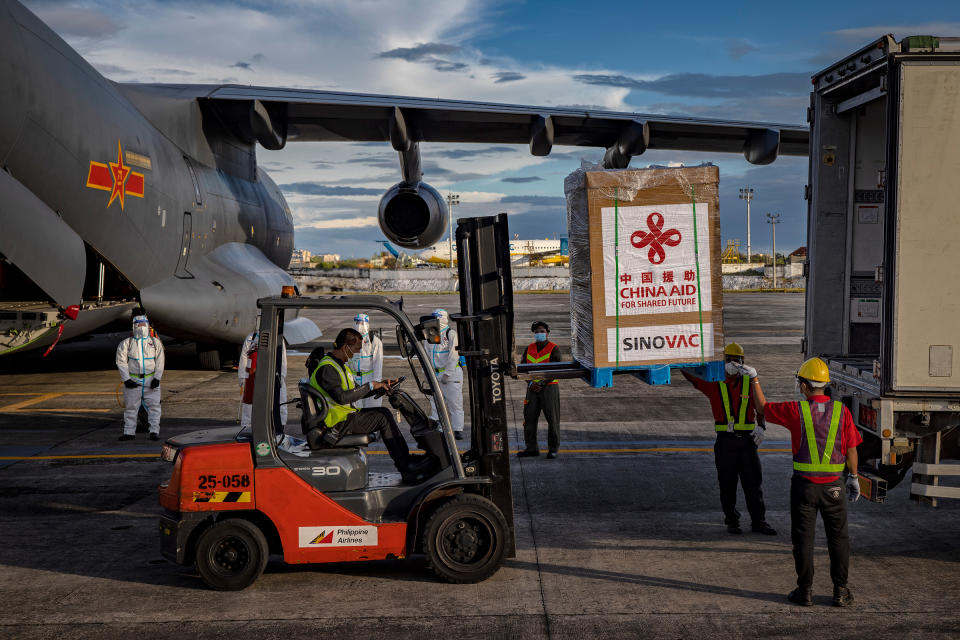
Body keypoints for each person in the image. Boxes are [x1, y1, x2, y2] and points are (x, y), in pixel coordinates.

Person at [752, 356, 862, 607]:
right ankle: (840, 591)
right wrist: (853, 477)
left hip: (804, 488)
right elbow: (852, 449)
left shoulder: (796, 410)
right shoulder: (842, 412)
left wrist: (754, 378)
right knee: (839, 539)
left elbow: (762, 408)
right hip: (834, 487)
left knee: (803, 539)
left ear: (804, 386)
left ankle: (805, 591)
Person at [680, 343, 776, 535]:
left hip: (748, 442)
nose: (733, 363)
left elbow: (760, 406)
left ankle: (759, 521)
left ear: (743, 362)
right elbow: (689, 373)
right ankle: (732, 520)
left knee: (753, 485)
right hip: (725, 442)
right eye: (728, 359)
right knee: (727, 484)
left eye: (737, 359)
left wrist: (761, 427)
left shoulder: (750, 382)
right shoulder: (714, 383)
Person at [310, 328, 426, 482]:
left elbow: (356, 391)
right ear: (345, 348)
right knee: (383, 417)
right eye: (355, 350)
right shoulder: (327, 369)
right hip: (336, 424)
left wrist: (381, 385)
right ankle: (405, 466)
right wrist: (370, 385)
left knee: (383, 413)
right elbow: (342, 397)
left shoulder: (338, 365)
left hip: (343, 418)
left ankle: (406, 461)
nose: (355, 354)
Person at [517, 321, 563, 459]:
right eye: (537, 332)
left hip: (549, 388)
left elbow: (557, 371)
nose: (539, 334)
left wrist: (541, 383)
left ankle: (553, 449)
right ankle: (531, 448)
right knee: (529, 418)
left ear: (547, 333)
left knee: (552, 419)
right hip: (532, 389)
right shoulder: (529, 348)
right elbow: (523, 369)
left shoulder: (554, 348)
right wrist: (530, 383)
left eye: (542, 331)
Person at [116, 313, 164, 441]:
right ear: (133, 326)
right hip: (133, 380)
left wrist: (157, 378)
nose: (141, 327)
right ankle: (129, 433)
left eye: (143, 324)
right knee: (131, 408)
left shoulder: (155, 343)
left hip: (150, 379)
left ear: (148, 325)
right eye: (138, 324)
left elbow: (160, 361)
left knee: (154, 407)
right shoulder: (126, 343)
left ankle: (154, 431)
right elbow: (121, 362)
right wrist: (126, 379)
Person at [238, 322, 288, 432]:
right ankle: (248, 427)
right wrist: (242, 378)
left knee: (278, 402)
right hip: (252, 377)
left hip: (273, 376)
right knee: (250, 404)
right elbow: (244, 359)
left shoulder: (278, 339)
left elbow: (282, 361)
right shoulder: (251, 338)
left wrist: (281, 378)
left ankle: (279, 426)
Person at [424, 308, 464, 440]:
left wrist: (448, 373)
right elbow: (427, 356)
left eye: (436, 317)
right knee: (435, 403)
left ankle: (458, 429)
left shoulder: (450, 333)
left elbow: (454, 355)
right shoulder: (430, 335)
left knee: (455, 403)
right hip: (435, 375)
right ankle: (437, 427)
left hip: (450, 376)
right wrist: (427, 374)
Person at [352, 313, 383, 409]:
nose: (359, 325)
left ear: (367, 324)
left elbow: (378, 363)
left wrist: (376, 382)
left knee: (372, 409)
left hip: (369, 379)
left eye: (362, 323)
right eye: (357, 322)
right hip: (354, 380)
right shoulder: (349, 341)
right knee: (355, 410)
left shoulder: (374, 341)